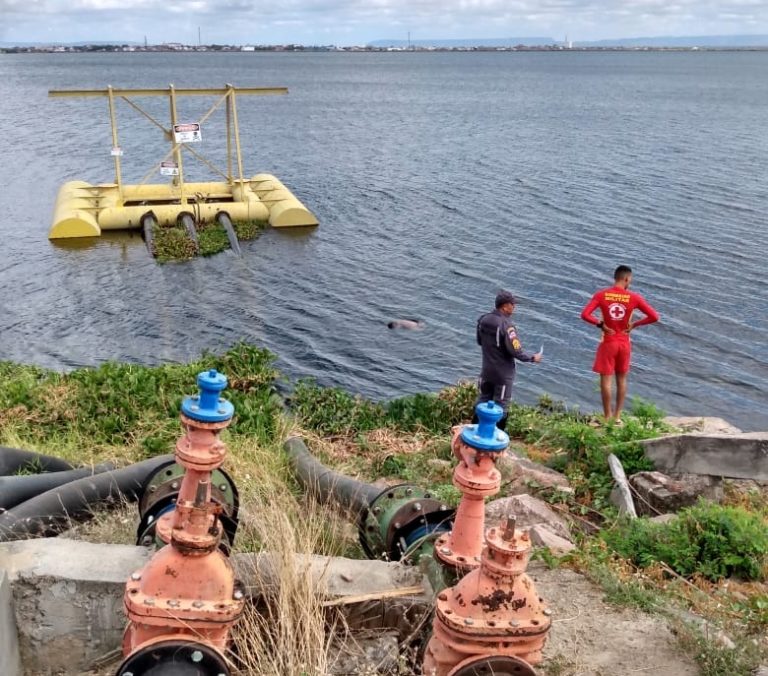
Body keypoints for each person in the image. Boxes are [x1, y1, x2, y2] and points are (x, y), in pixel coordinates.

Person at [581, 265, 659, 423]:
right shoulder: (634, 298)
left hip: (608, 342)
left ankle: (607, 416)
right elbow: (654, 316)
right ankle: (617, 417)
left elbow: (585, 314)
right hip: (624, 343)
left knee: (606, 381)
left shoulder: (601, 295)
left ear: (615, 277)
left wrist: (600, 324)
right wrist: (635, 325)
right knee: (622, 379)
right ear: (627, 279)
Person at [473, 290, 542, 431]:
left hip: (486, 371)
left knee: (482, 402)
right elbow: (516, 351)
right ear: (504, 306)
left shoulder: (483, 320)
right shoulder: (507, 326)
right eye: (512, 304)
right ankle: (496, 439)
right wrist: (533, 358)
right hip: (502, 375)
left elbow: (480, 341)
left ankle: (473, 433)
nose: (514, 307)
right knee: (501, 407)